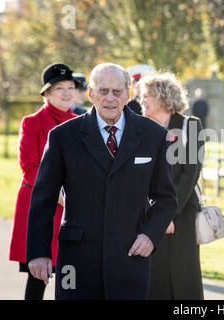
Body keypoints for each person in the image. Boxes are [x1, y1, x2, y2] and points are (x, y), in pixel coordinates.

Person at [26, 63, 177, 300]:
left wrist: (150, 235)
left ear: (128, 94)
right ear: (90, 93)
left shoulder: (154, 136)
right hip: (76, 261)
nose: (110, 98)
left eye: (117, 92)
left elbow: (166, 198)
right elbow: (42, 200)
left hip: (130, 257)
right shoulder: (62, 137)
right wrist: (38, 253)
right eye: (103, 90)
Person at [9, 63, 79, 300]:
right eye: (60, 88)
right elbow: (29, 167)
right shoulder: (32, 122)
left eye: (71, 87)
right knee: (39, 273)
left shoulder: (82, 122)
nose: (67, 92)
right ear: (46, 93)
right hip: (42, 206)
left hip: (73, 206)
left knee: (72, 271)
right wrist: (58, 195)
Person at [140, 72, 204, 300]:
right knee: (153, 273)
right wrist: (157, 211)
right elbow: (139, 175)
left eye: (147, 96)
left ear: (163, 97)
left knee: (183, 272)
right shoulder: (141, 129)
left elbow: (190, 174)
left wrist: (169, 212)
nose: (142, 101)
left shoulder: (191, 126)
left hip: (183, 212)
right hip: (150, 212)